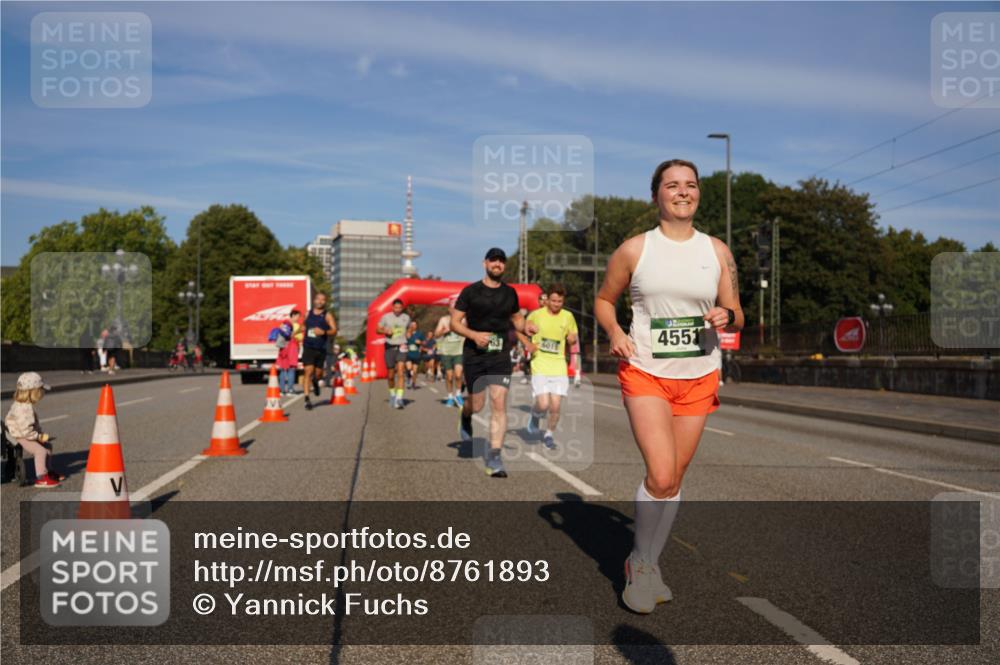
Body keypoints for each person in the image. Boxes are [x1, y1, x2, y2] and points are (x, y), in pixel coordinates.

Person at [595, 159, 743, 614]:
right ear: (656, 194)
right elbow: (604, 300)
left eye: (691, 185)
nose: (683, 192)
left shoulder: (717, 251)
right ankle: (639, 565)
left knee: (674, 478)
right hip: (645, 372)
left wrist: (726, 315)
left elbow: (736, 311)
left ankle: (648, 562)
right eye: (672, 185)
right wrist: (617, 334)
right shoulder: (635, 250)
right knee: (659, 474)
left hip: (698, 374)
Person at [451, 247, 536, 478]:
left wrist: (525, 327)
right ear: (485, 263)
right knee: (477, 404)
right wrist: (474, 335)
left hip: (499, 355)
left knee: (499, 404)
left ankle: (494, 456)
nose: (497, 264)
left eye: (501, 261)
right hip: (474, 354)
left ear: (504, 266)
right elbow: (454, 323)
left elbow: (517, 319)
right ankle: (466, 415)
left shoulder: (510, 293)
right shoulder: (470, 292)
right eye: (493, 260)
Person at [519, 284, 578, 450]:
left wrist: (572, 338)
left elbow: (572, 335)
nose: (556, 304)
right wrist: (529, 327)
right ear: (547, 300)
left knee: (555, 405)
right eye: (553, 300)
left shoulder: (568, 316)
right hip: (540, 363)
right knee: (543, 404)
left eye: (560, 301)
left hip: (559, 364)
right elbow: (526, 325)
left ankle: (549, 435)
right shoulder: (537, 314)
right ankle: (535, 415)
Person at [5, 372, 65, 487]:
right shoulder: (24, 409)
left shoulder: (24, 405)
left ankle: (49, 472)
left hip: (26, 433)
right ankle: (41, 477)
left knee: (48, 446)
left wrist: (39, 435)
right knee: (40, 451)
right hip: (21, 436)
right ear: (33, 392)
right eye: (41, 391)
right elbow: (26, 431)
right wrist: (38, 437)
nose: (42, 394)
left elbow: (32, 426)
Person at [302, 292, 338, 410]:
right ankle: (307, 399)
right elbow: (303, 326)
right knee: (308, 371)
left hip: (321, 348)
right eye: (318, 299)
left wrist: (324, 332)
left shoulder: (327, 315)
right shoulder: (308, 313)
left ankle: (316, 381)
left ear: (325, 302)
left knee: (318, 373)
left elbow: (334, 330)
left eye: (323, 300)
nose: (320, 301)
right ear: (314, 300)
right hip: (308, 347)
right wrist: (298, 333)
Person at [377, 298, 410, 409]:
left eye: (400, 308)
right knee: (391, 375)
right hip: (389, 347)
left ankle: (399, 398)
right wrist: (385, 331)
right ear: (392, 307)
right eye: (396, 308)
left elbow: (409, 328)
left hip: (402, 346)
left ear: (402, 308)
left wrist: (409, 333)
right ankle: (392, 395)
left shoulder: (406, 317)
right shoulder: (386, 317)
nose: (398, 310)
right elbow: (377, 329)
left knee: (401, 372)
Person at [435, 306, 466, 407]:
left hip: (459, 351)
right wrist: (445, 331)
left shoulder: (464, 319)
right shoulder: (444, 319)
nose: (454, 311)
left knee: (458, 375)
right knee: (449, 376)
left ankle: (458, 394)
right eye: (452, 308)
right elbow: (436, 334)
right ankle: (449, 397)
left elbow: (468, 332)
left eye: (456, 308)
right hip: (446, 352)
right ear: (449, 309)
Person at [521, 292, 548, 383]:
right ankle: (527, 376)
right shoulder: (533, 314)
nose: (544, 301)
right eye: (541, 299)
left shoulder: (553, 314)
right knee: (528, 359)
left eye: (546, 299)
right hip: (534, 342)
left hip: (547, 342)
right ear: (538, 301)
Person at [275, 309, 302, 395]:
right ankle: (290, 389)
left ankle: (282, 390)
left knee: (283, 369)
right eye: (298, 316)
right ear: (293, 315)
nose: (298, 318)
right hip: (292, 348)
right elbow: (300, 337)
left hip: (283, 348)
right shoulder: (297, 325)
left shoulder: (283, 324)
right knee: (291, 369)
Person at [404, 321, 425, 389]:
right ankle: (408, 377)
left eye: (414, 325)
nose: (413, 326)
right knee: (409, 368)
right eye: (412, 325)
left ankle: (413, 383)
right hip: (408, 353)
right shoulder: (407, 333)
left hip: (416, 354)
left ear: (416, 326)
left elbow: (424, 342)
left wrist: (421, 343)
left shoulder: (420, 334)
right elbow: (407, 337)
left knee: (415, 371)